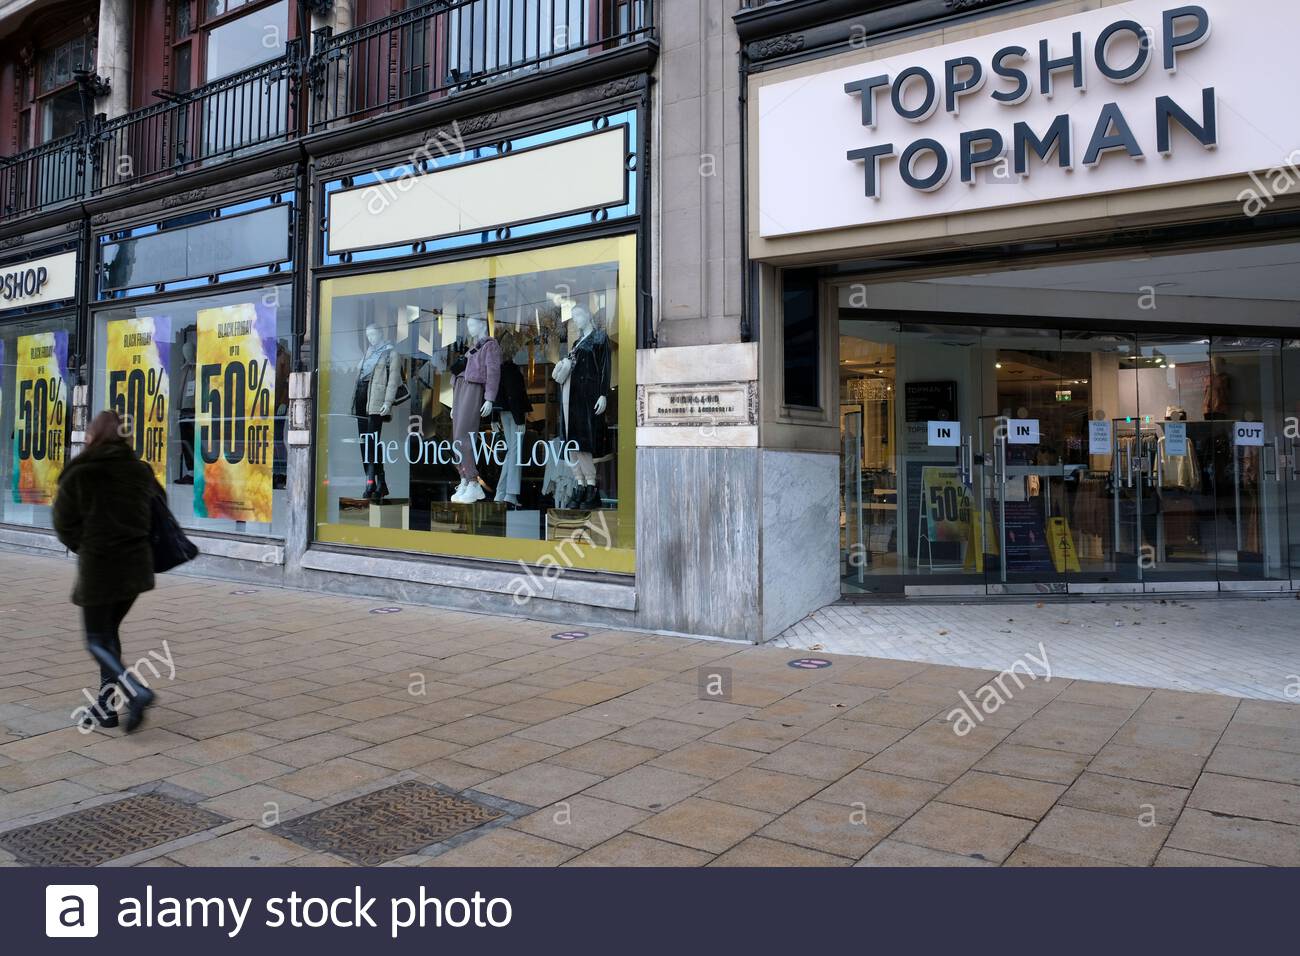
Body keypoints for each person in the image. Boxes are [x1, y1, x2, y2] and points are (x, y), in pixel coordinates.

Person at [53, 410, 158, 732]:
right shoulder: (140, 471)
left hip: (100, 568)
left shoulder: (82, 472)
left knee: (96, 639)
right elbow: (158, 511)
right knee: (109, 633)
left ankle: (136, 691)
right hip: (135, 569)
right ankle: (105, 707)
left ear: (94, 436)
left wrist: (86, 546)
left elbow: (63, 523)